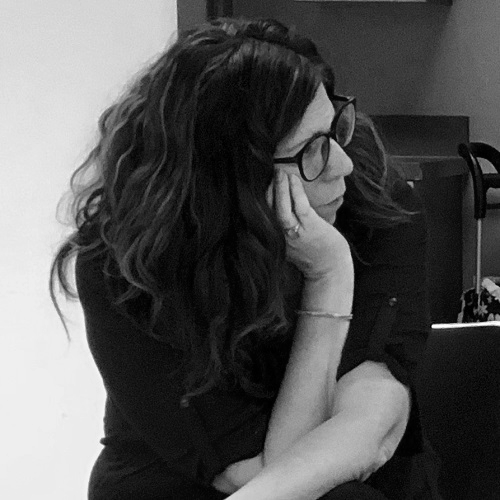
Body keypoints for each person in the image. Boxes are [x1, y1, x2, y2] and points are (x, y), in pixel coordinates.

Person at [50, 17, 441, 500]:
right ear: (231, 181)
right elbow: (269, 470)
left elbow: (369, 426)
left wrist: (331, 271)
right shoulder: (126, 263)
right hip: (176, 483)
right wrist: (327, 282)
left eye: (334, 126)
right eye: (310, 151)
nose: (342, 162)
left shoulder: (373, 203)